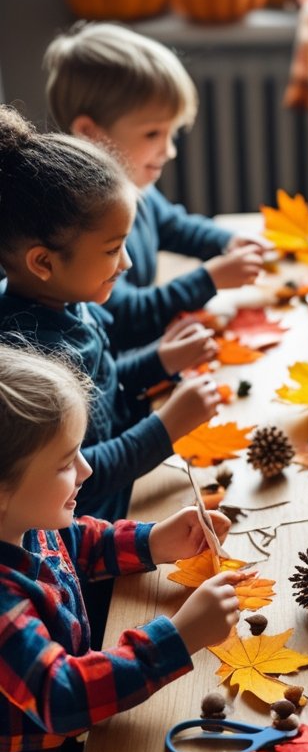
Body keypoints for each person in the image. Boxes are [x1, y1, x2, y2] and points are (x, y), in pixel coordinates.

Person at [0, 342, 272, 752]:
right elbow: (64, 697)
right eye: (68, 463)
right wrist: (177, 637)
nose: (88, 473)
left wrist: (153, 541)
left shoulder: (25, 520)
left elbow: (77, 539)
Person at [0, 105, 220, 520]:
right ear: (43, 263)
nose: (126, 264)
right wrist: (166, 428)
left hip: (126, 485)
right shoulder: (29, 360)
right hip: (93, 528)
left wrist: (159, 361)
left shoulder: (66, 297)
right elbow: (78, 477)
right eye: (111, 249)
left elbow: (100, 388)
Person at [44, 21, 268, 350]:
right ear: (90, 133)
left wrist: (228, 242)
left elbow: (173, 225)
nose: (170, 150)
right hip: (120, 370)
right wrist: (209, 280)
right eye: (153, 134)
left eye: (172, 133)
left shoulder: (134, 188)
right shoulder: (80, 222)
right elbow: (125, 316)